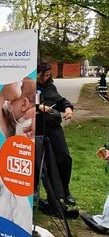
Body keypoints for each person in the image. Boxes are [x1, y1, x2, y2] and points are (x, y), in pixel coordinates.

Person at [36, 62, 76, 205]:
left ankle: (65, 191)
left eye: (48, 75)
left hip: (53, 129)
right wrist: (38, 106)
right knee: (40, 163)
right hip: (37, 129)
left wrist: (68, 108)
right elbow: (20, 103)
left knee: (64, 158)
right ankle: (39, 193)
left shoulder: (50, 86)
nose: (45, 78)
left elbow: (60, 101)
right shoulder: (27, 85)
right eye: (42, 75)